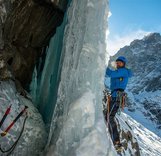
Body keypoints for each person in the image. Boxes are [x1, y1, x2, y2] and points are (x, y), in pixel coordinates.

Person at [104, 56, 132, 147]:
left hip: (116, 97)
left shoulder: (123, 71)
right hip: (115, 96)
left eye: (120, 62)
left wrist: (103, 65)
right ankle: (114, 140)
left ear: (124, 64)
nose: (118, 63)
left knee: (109, 117)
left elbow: (110, 74)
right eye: (117, 62)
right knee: (108, 116)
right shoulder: (119, 72)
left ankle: (116, 141)